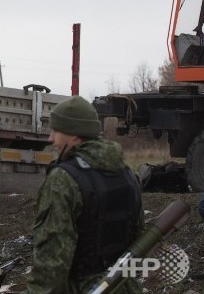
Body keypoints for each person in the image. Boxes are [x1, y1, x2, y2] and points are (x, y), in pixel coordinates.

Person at [25, 96, 143, 294]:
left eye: (56, 130)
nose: (51, 138)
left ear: (73, 134)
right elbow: (138, 236)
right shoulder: (128, 173)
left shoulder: (63, 180)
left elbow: (52, 262)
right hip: (125, 287)